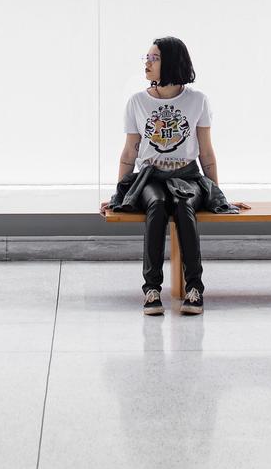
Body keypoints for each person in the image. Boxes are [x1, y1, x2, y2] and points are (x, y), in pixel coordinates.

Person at [99, 37, 249, 316]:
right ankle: (151, 290)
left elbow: (206, 153)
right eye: (146, 58)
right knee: (156, 205)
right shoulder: (136, 102)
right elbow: (129, 154)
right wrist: (117, 195)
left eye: (154, 58)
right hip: (150, 179)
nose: (147, 63)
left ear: (170, 63)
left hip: (188, 177)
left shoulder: (198, 101)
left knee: (183, 204)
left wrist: (218, 196)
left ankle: (195, 289)